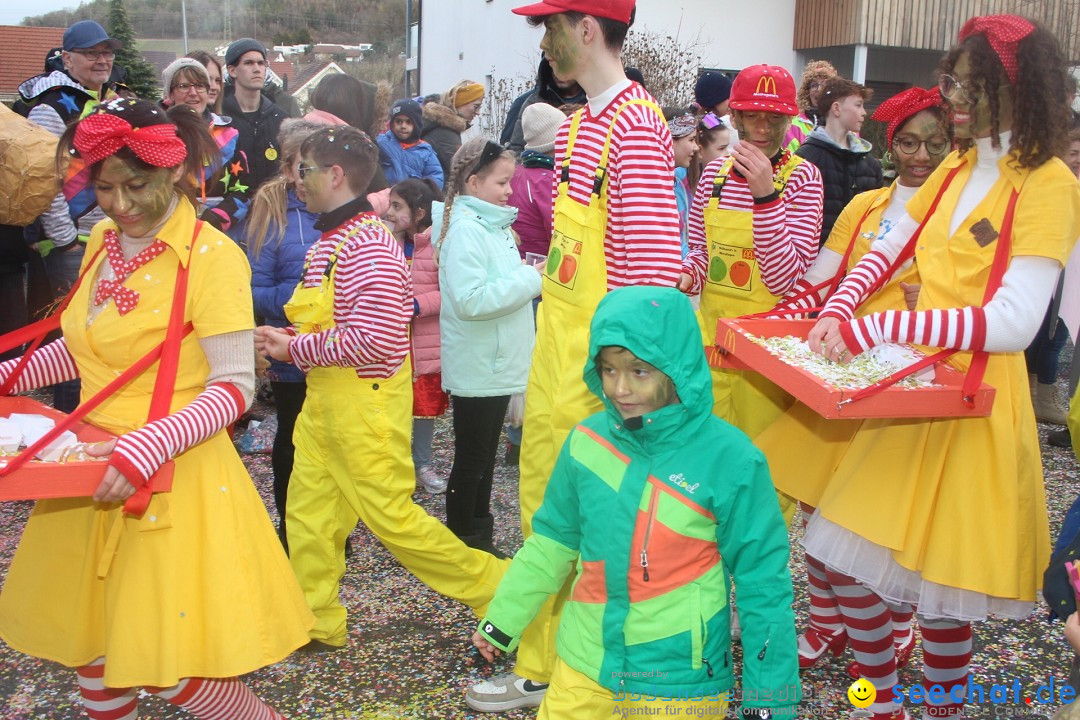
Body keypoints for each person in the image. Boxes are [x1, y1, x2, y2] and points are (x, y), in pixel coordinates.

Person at [797, 16, 1080, 718]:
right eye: (951, 78)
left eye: (966, 83)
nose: (949, 94)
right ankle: (876, 700)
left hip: (978, 399)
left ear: (1014, 89)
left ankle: (942, 709)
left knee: (942, 589)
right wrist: (842, 304)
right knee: (840, 553)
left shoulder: (1048, 183)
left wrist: (885, 324)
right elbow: (891, 242)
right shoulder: (955, 163)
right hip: (911, 385)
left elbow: (1016, 323)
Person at [0, 98, 313, 719]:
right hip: (85, 474)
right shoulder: (100, 242)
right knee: (94, 653)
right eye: (103, 186)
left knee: (167, 668)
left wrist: (152, 442)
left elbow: (233, 387)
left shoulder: (213, 256)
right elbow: (90, 353)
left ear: (174, 172)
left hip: (170, 480)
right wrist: (14, 372)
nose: (117, 204)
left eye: (134, 185)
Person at [466, 0, 683, 712]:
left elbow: (648, 276)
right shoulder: (579, 127)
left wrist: (631, 395)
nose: (542, 41)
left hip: (599, 375)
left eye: (549, 26)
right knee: (545, 514)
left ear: (586, 29)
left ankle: (587, 673)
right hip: (557, 358)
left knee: (593, 528)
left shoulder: (637, 125)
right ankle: (543, 659)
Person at [470, 285, 799, 719]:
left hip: (679, 678)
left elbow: (763, 583)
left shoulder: (731, 459)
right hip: (585, 662)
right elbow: (551, 543)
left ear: (678, 367)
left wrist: (769, 699)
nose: (620, 388)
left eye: (640, 371)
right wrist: (503, 620)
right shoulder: (586, 441)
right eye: (607, 370)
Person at [254, 125, 507, 651]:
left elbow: (373, 340)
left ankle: (500, 590)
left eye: (303, 170)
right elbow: (343, 326)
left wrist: (292, 349)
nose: (295, 181)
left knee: (396, 522)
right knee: (309, 518)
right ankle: (314, 618)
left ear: (335, 175)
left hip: (363, 410)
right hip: (328, 408)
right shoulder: (335, 239)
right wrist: (291, 338)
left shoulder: (366, 246)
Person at [759, 86, 952, 680]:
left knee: (875, 524)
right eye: (909, 143)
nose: (921, 156)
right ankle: (827, 622)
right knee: (817, 512)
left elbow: (988, 306)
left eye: (935, 144)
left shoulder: (957, 214)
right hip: (837, 379)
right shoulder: (867, 205)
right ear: (891, 147)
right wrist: (772, 325)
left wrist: (936, 300)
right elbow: (822, 280)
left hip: (907, 390)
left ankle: (895, 624)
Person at [679, 64, 823, 444]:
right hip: (712, 347)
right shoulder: (712, 177)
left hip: (768, 354)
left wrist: (765, 196)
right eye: (752, 116)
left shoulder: (803, 178)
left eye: (773, 118)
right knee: (703, 454)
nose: (761, 128)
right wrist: (681, 277)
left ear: (788, 120)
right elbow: (699, 255)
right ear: (735, 117)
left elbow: (785, 279)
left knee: (763, 462)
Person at [436, 139, 542, 555]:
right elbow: (471, 299)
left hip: (492, 362)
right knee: (473, 459)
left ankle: (476, 534)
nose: (509, 191)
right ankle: (465, 540)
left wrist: (525, 274)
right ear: (474, 182)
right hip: (481, 364)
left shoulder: (490, 227)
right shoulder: (468, 232)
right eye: (501, 182)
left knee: (479, 458)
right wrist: (533, 279)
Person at [16, 20, 123, 412]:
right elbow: (46, 181)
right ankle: (66, 425)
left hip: (110, 237)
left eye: (107, 52)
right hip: (69, 244)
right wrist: (63, 240)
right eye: (92, 53)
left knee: (103, 336)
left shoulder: (112, 100)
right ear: (67, 58)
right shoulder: (51, 104)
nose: (102, 60)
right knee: (74, 343)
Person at [246, 118, 326, 550]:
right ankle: (291, 527)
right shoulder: (272, 213)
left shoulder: (339, 210)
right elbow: (256, 290)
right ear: (290, 167)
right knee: (294, 436)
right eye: (304, 164)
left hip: (335, 352)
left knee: (332, 439)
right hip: (290, 351)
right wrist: (307, 296)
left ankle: (330, 528)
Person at [381, 178, 447, 494]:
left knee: (423, 407)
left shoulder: (437, 243)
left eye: (397, 206)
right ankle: (392, 464)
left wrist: (417, 305)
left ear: (419, 212)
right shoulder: (385, 241)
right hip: (391, 343)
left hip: (424, 344)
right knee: (389, 405)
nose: (389, 212)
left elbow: (451, 291)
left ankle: (421, 463)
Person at [161, 58, 251, 235]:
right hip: (171, 229)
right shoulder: (157, 135)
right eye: (183, 86)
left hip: (219, 232)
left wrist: (216, 219)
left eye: (200, 85)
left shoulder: (229, 135)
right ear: (170, 94)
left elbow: (244, 190)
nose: (193, 93)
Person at [795, 76, 883, 246]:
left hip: (856, 263)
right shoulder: (806, 159)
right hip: (815, 262)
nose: (864, 112)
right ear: (836, 108)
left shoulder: (871, 165)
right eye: (858, 105)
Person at [221, 38, 288, 211]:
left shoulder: (280, 119)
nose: (257, 69)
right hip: (232, 217)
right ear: (232, 70)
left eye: (261, 63)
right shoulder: (221, 121)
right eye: (249, 63)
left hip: (275, 215)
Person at [308, 73, 392, 193]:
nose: (384, 126)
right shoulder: (355, 148)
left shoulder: (302, 135)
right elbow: (376, 193)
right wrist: (385, 198)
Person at [501, 58, 587, 152]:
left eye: (565, 66)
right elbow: (516, 150)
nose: (559, 72)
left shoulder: (595, 101)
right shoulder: (532, 103)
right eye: (554, 65)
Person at [377, 98, 445, 188]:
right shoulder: (382, 142)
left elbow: (435, 178)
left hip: (412, 199)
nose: (403, 126)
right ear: (392, 123)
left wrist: (422, 194)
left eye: (408, 122)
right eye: (398, 121)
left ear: (417, 125)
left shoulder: (425, 152)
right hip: (383, 197)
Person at [422, 80, 485, 176]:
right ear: (460, 103)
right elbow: (460, 170)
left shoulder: (440, 124)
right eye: (476, 106)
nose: (478, 112)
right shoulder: (446, 132)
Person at [783, 60, 836, 152]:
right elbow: (789, 160)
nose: (819, 90)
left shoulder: (844, 122)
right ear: (806, 92)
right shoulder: (795, 124)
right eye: (814, 85)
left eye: (824, 85)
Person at [668, 110, 699, 258]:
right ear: (670, 140)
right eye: (691, 140)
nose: (696, 147)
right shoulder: (654, 187)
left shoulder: (677, 182)